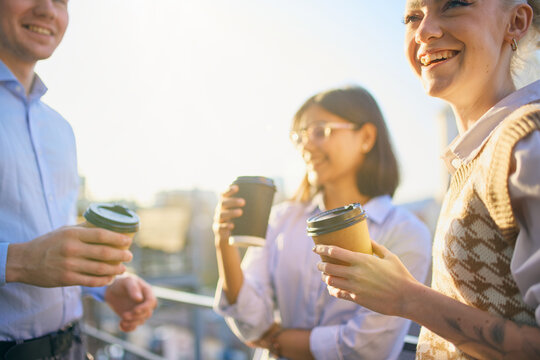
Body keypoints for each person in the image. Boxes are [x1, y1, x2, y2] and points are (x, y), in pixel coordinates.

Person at [314, 0, 540, 358]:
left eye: (453, 5)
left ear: (516, 21)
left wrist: (406, 297)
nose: (423, 31)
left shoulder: (527, 144)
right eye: (412, 17)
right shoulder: (480, 151)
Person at [213, 86, 432, 359]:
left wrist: (280, 342)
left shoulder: (405, 232)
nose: (305, 145)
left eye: (320, 131)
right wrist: (224, 244)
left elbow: (369, 346)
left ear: (366, 137)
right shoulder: (282, 219)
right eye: (300, 136)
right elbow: (252, 325)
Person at [0, 0, 157, 359]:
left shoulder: (61, 129)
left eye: (61, 1)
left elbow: (52, 237)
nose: (47, 9)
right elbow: (32, 255)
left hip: (74, 346)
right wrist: (19, 261)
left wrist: (104, 287)